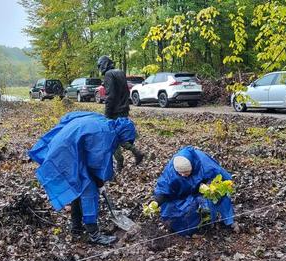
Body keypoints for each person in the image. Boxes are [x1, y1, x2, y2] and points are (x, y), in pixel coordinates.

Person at [29, 111, 137, 245]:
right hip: (66, 153)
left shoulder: (104, 121)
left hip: (64, 147)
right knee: (88, 190)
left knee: (77, 187)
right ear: (122, 134)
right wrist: (99, 182)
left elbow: (70, 116)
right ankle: (94, 235)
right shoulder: (105, 135)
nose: (122, 144)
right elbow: (95, 165)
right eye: (124, 141)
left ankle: (76, 228)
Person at [153, 146, 238, 236]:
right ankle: (193, 226)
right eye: (180, 173)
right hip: (185, 195)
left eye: (186, 172)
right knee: (174, 214)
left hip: (205, 191)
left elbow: (221, 177)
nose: (183, 175)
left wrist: (209, 185)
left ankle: (229, 221)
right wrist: (156, 202)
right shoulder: (172, 170)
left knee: (219, 193)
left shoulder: (204, 163)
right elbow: (164, 188)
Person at [97, 55, 144, 171]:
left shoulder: (109, 75)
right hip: (124, 109)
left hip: (114, 111)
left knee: (111, 137)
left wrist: (107, 114)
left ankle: (120, 161)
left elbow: (110, 96)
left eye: (99, 66)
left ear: (103, 64)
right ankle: (136, 152)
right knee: (120, 135)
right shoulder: (120, 72)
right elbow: (125, 91)